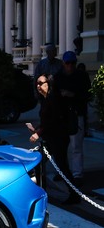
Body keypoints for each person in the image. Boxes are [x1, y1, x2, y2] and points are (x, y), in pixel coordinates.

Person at [27, 74, 80, 205]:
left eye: (41, 83)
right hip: (50, 138)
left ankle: (74, 194)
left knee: (62, 166)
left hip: (59, 138)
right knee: (39, 163)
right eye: (37, 84)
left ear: (48, 84)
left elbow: (53, 121)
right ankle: (39, 189)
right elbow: (46, 121)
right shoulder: (45, 99)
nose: (38, 86)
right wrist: (37, 129)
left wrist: (38, 133)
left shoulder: (53, 98)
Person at [54, 51, 91, 186]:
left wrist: (72, 95)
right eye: (68, 63)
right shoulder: (59, 77)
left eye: (72, 63)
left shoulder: (81, 76)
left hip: (76, 114)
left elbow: (87, 95)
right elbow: (54, 96)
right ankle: (63, 171)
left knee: (76, 146)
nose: (70, 66)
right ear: (64, 63)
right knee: (61, 147)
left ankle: (77, 173)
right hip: (62, 115)